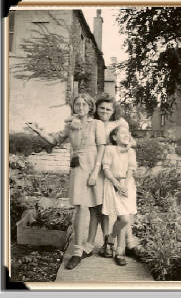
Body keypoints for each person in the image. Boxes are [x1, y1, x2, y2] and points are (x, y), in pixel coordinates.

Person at [26, 93, 106, 270]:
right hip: (78, 168)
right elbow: (55, 140)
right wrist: (38, 131)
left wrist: (95, 172)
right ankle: (77, 251)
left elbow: (101, 149)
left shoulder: (97, 124)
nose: (81, 107)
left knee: (95, 208)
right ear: (74, 107)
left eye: (84, 105)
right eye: (77, 104)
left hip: (94, 167)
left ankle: (89, 246)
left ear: (90, 107)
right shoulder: (71, 125)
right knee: (80, 207)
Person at [83, 94, 140, 259]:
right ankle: (108, 242)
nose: (105, 111)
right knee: (103, 208)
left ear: (113, 110)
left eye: (108, 109)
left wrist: (118, 148)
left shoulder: (119, 123)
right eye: (101, 108)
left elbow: (131, 142)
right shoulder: (92, 122)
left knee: (124, 208)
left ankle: (128, 242)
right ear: (96, 108)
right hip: (97, 168)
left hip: (114, 166)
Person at [102, 125, 137, 266]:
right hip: (113, 184)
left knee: (125, 218)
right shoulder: (110, 150)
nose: (126, 134)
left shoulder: (131, 152)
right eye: (122, 133)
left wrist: (125, 184)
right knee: (124, 218)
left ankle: (118, 249)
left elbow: (131, 169)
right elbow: (106, 169)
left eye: (128, 133)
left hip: (127, 185)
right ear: (114, 137)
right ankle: (114, 243)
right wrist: (117, 184)